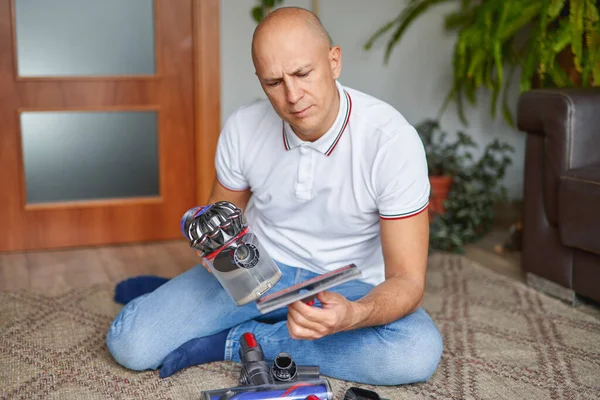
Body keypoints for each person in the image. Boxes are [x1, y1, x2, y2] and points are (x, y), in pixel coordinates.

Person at [106, 6, 443, 386]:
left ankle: (234, 340)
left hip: (348, 283)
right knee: (131, 344)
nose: (293, 96)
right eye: (273, 82)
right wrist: (211, 247)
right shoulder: (243, 126)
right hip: (257, 270)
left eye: (303, 73)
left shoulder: (392, 141)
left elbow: (408, 280)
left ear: (334, 61)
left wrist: (353, 315)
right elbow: (222, 217)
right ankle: (183, 298)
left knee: (415, 351)